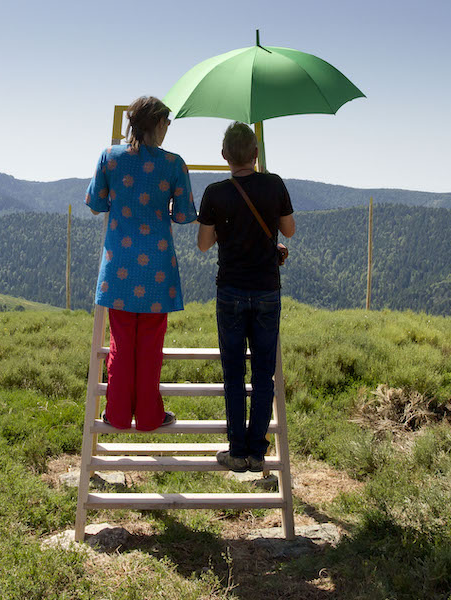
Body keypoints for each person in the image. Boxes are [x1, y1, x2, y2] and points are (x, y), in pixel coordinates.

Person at [85, 96, 197, 431]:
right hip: (157, 266)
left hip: (118, 263)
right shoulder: (174, 163)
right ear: (158, 123)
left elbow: (95, 204)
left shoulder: (110, 157)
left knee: (120, 341)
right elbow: (183, 216)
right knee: (150, 345)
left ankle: (117, 415)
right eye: (167, 123)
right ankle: (149, 416)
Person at [196, 122, 295, 472]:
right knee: (263, 373)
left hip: (231, 290)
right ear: (255, 154)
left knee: (234, 373)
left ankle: (236, 450)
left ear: (224, 156)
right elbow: (289, 230)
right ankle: (257, 451)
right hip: (267, 289)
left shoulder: (214, 192)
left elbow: (204, 244)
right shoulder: (274, 184)